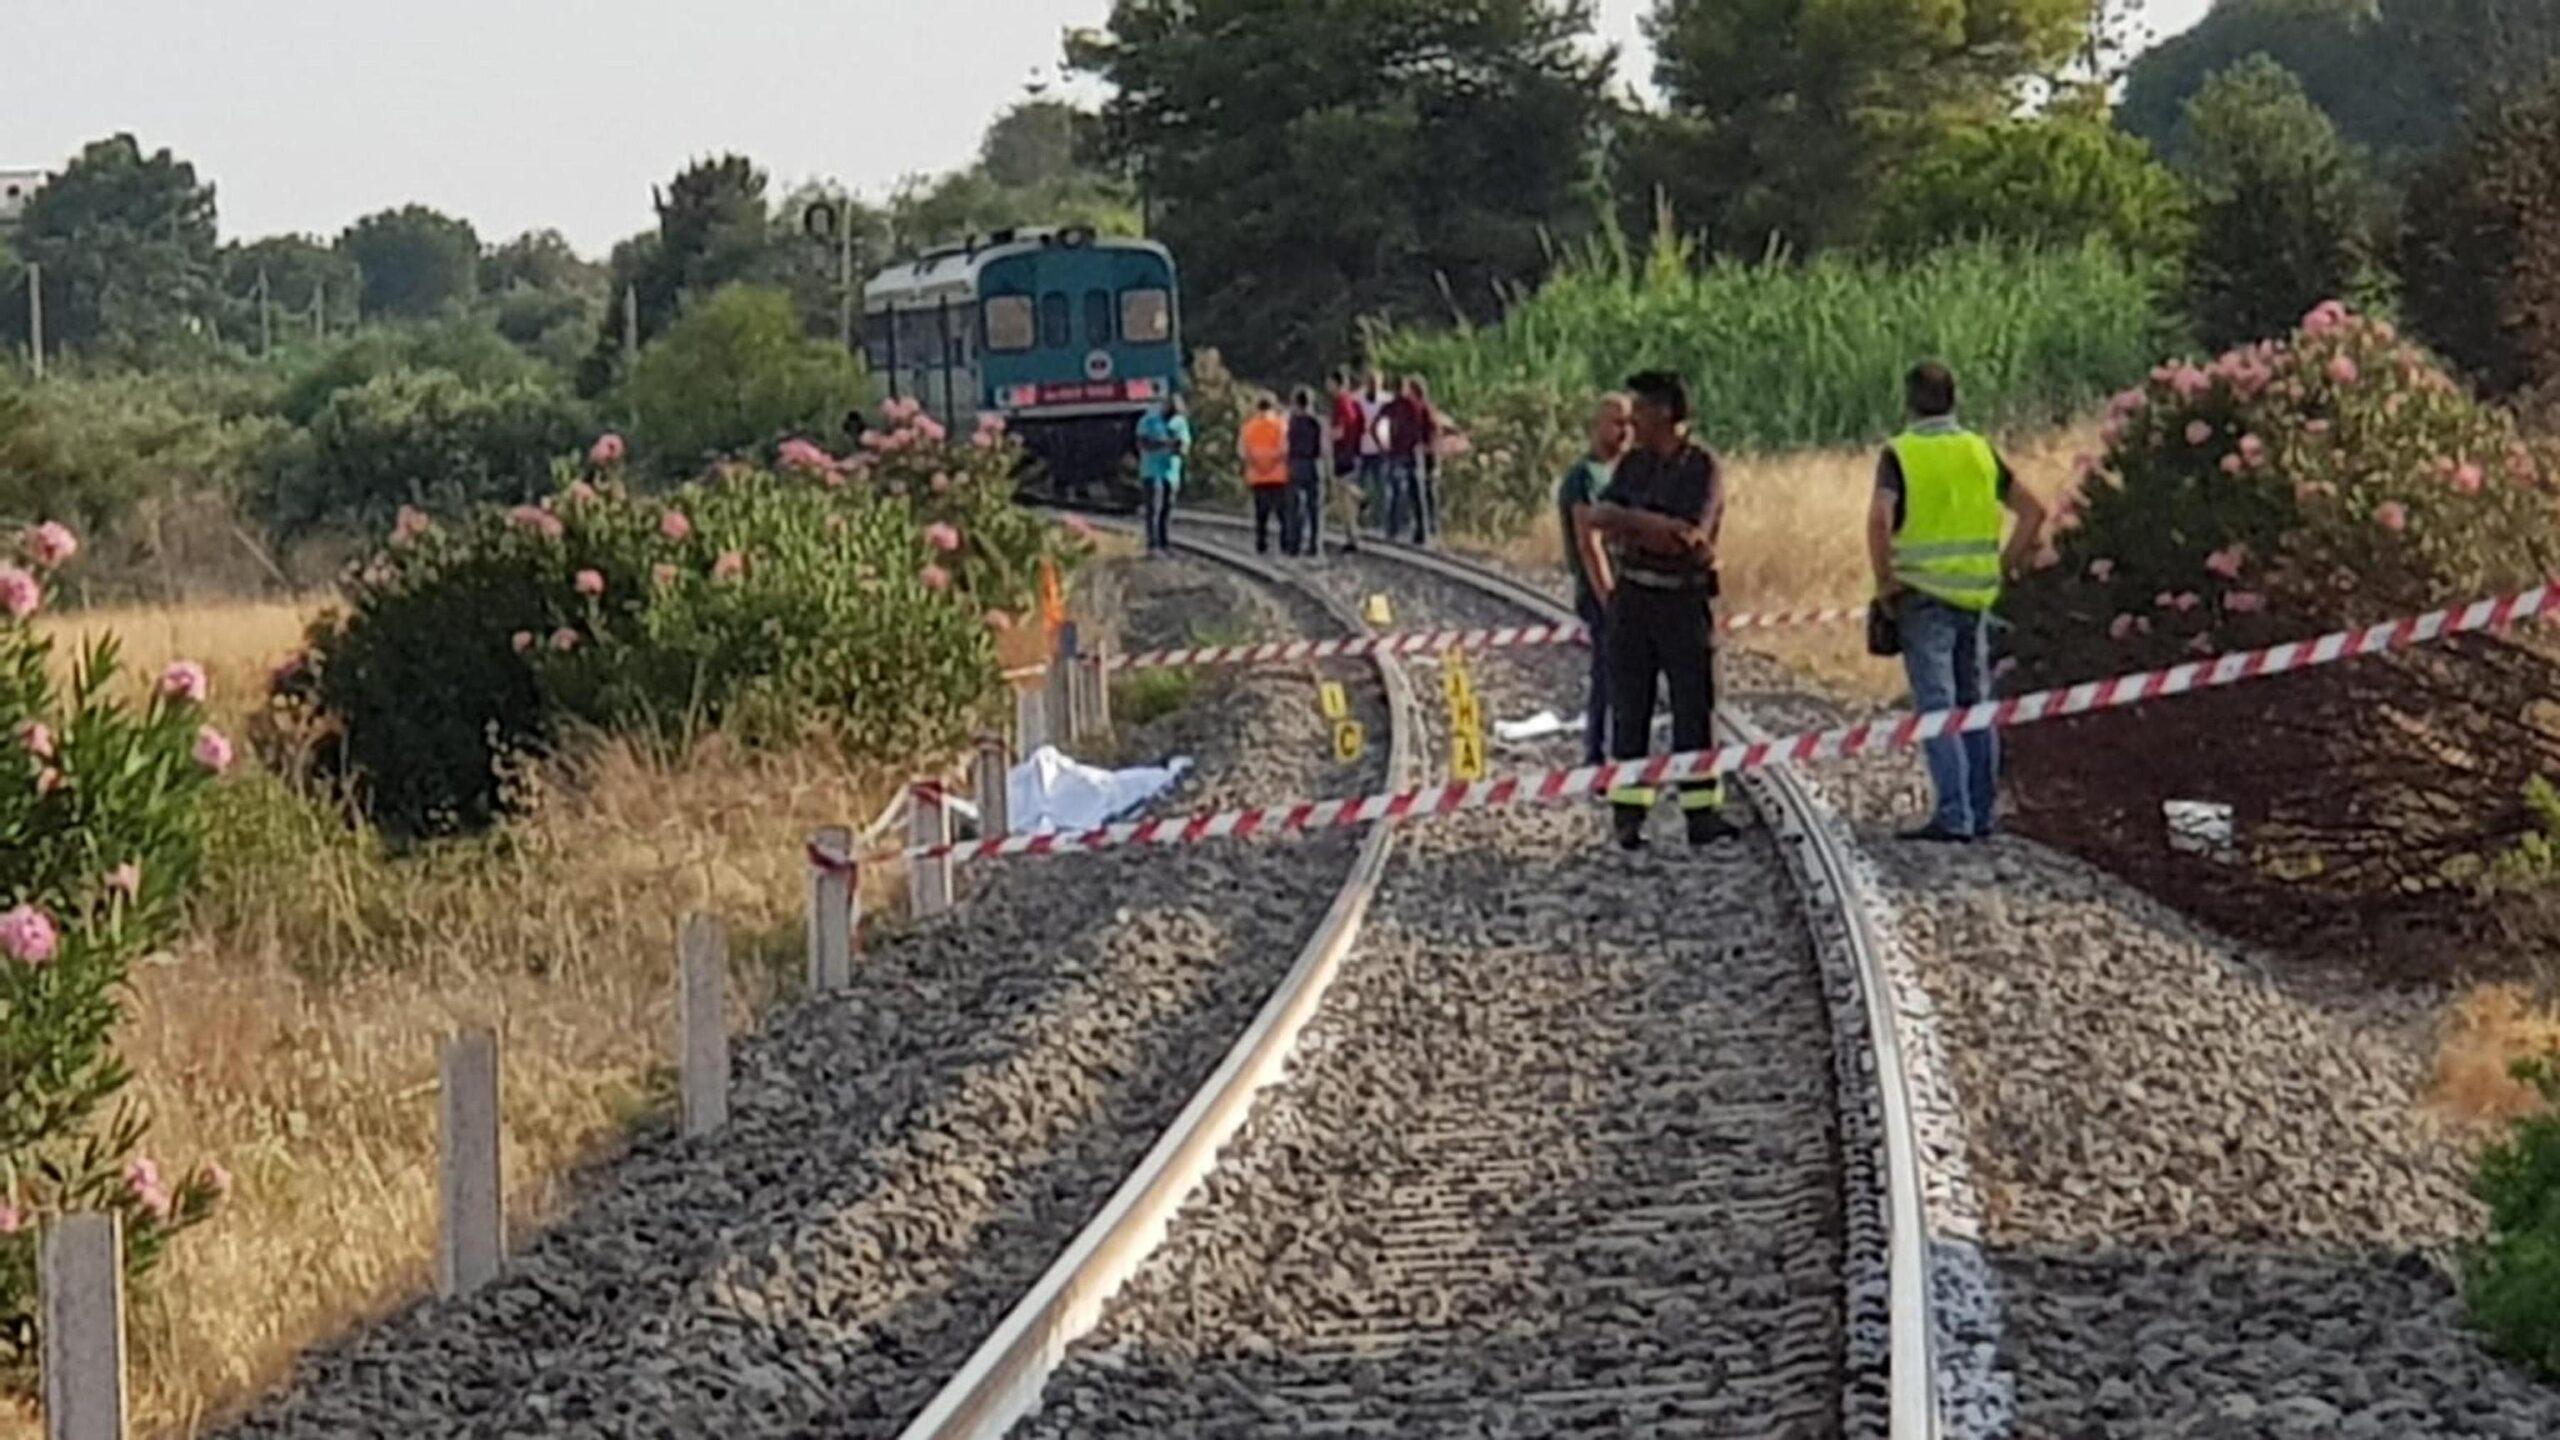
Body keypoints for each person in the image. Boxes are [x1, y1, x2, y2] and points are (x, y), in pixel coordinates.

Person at [1870, 361, 2048, 843]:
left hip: (1921, 598)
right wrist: (2004, 567)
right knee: (1976, 705)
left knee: (1937, 707)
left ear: (1908, 400)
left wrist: (1886, 584)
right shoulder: (1979, 451)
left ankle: (1954, 815)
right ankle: (1982, 812)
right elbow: (2034, 512)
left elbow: (1880, 522)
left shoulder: (1900, 454)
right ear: (1954, 398)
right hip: (1976, 597)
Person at [1588, 370, 1736, 851]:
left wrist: (1635, 524)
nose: (1633, 419)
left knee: (1695, 707)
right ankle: (1628, 817)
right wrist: (1651, 526)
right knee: (1630, 708)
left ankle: (1702, 814)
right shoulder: (1634, 465)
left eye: (1643, 409)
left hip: (1683, 600)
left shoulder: (1703, 468)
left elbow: (1691, 539)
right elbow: (1600, 517)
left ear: (1668, 414)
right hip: (1633, 600)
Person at [1557, 394, 1632, 767]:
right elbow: (1590, 544)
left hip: (1630, 586)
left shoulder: (1626, 470)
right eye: (1617, 423)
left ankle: (1623, 747)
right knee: (1607, 670)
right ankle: (1597, 754)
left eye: (1629, 423)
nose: (1625, 431)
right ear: (1598, 425)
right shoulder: (1585, 477)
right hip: (1602, 590)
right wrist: (1609, 598)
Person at [1382, 377, 1436, 544]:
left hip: (1400, 453)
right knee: (1415, 494)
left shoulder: (1396, 406)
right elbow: (1428, 428)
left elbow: (1376, 423)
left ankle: (1393, 530)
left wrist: (1384, 444)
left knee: (1396, 493)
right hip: (1411, 453)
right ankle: (1420, 531)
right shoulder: (1415, 406)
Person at [1136, 393, 1190, 554]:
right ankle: (1152, 544)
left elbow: (1183, 447)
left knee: (1167, 508)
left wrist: (1170, 445)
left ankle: (1165, 543)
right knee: (1153, 507)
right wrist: (1167, 444)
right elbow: (1143, 443)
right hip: (1151, 471)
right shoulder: (1149, 421)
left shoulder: (1180, 423)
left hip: (1171, 472)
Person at [1240, 393, 1292, 554]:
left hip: (1257, 475)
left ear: (1257, 407)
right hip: (1278, 475)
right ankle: (1285, 543)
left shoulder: (1248, 427)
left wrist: (1257, 463)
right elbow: (1285, 449)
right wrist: (1272, 462)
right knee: (1282, 513)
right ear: (1273, 406)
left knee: (1261, 513)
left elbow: (1243, 451)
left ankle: (1261, 543)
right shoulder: (1281, 425)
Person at [1329, 370, 1368, 552]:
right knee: (1343, 498)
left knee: (1342, 492)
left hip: (1344, 453)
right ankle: (1352, 536)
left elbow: (1342, 427)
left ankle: (1361, 498)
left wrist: (1330, 436)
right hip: (1352, 451)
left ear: (1337, 383)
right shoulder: (1353, 402)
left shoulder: (1342, 403)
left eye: (1330, 383)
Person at [1287, 387, 1327, 556]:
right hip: (1314, 464)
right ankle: (1314, 544)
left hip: (1296, 463)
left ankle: (1294, 544)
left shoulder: (1293, 422)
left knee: (1296, 507)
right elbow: (1322, 447)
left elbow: (1287, 443)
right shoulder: (1317, 422)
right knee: (1315, 508)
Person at [1356, 370, 1395, 537]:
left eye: (1376, 381)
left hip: (1381, 449)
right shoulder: (1357, 399)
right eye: (1370, 381)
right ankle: (1361, 519)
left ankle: (1381, 521)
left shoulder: (1387, 400)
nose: (1373, 384)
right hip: (1361, 448)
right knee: (1360, 488)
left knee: (1382, 487)